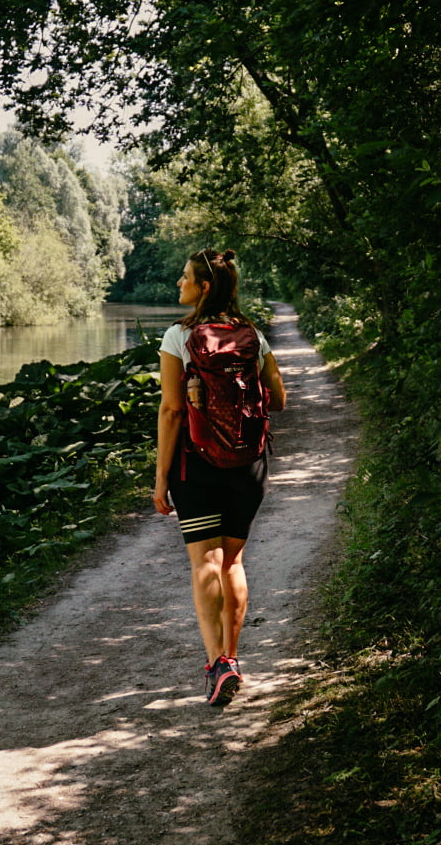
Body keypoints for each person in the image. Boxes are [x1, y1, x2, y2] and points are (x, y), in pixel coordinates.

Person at [152, 248, 286, 706]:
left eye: (185, 277)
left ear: (204, 287)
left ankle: (217, 665)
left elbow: (171, 410)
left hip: (197, 467)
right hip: (249, 465)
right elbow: (280, 399)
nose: (179, 284)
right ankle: (233, 656)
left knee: (203, 564)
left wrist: (159, 479)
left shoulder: (179, 337)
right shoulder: (254, 336)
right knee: (233, 563)